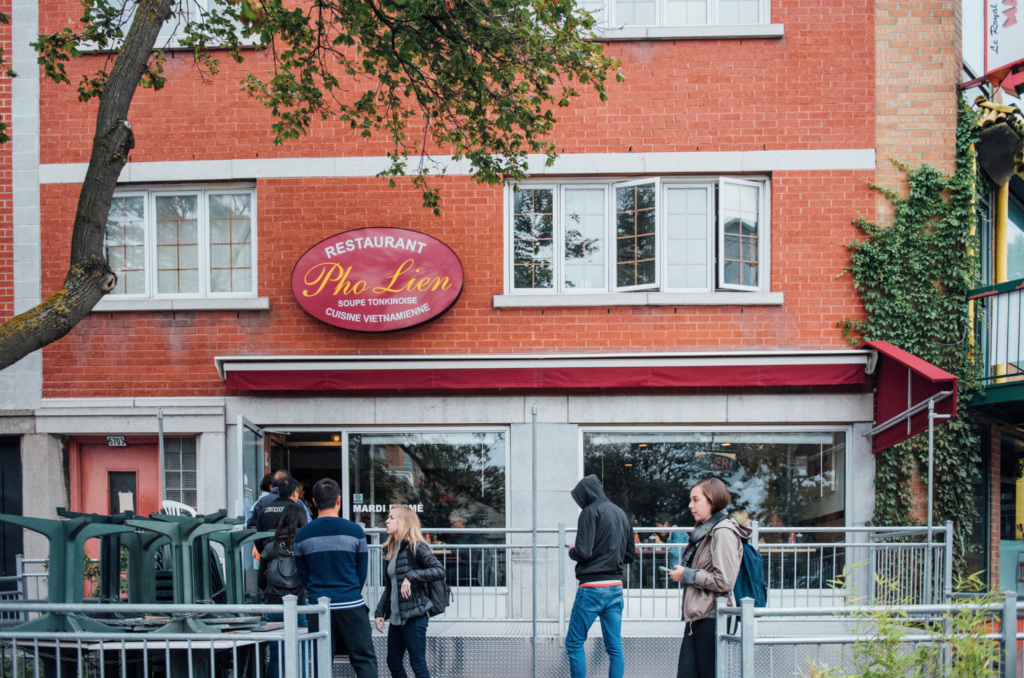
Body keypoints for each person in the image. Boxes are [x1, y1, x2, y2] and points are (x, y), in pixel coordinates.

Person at [294, 479, 379, 678]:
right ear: (339, 500)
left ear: (314, 502)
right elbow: (362, 572)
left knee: (320, 663)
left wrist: (316, 592)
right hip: (351, 602)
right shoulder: (355, 531)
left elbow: (303, 574)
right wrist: (350, 591)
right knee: (364, 660)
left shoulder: (302, 535)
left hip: (318, 607)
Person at [669, 478, 752, 678]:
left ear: (712, 501)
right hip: (699, 617)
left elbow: (724, 580)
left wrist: (686, 574)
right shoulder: (706, 531)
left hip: (711, 617)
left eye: (696, 500)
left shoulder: (722, 531)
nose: (690, 505)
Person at [565, 474, 636, 678]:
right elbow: (630, 556)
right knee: (614, 647)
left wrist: (572, 550)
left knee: (574, 642)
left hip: (592, 588)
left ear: (585, 495)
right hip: (615, 587)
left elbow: (583, 552)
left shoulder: (589, 512)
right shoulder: (622, 514)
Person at [373, 506, 446, 678]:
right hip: (397, 618)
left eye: (391, 517)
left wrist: (412, 575)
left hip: (415, 614)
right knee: (394, 663)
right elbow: (390, 586)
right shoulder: (390, 549)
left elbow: (439, 570)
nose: (386, 521)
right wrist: (380, 612)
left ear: (404, 522)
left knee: (417, 663)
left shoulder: (417, 547)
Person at [258, 503, 309, 678]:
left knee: (275, 658)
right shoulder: (305, 546)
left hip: (274, 607)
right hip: (300, 606)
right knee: (302, 655)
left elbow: (261, 582)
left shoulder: (270, 547)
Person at [256, 476, 306, 551]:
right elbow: (304, 533)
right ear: (295, 493)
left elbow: (258, 535)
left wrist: (264, 552)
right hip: (291, 555)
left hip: (270, 554)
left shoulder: (265, 509)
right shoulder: (298, 509)